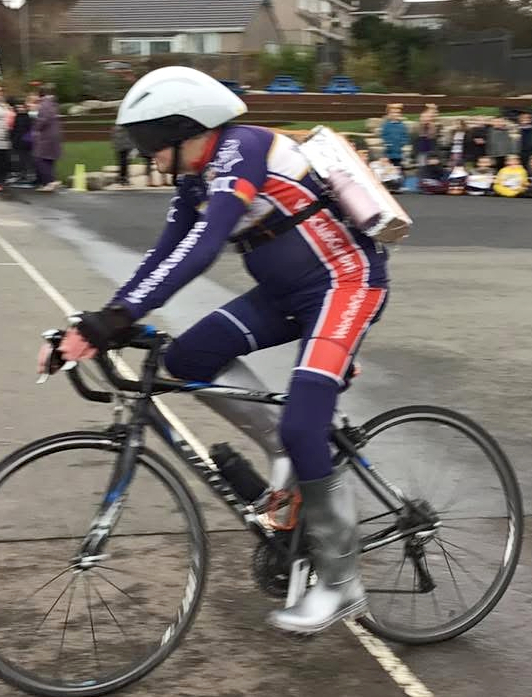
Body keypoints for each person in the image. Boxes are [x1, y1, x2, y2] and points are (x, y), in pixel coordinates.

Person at [47, 66, 390, 635]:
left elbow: (204, 247)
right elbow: (164, 255)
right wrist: (102, 320)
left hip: (345, 283)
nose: (146, 153)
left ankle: (341, 581)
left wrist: (118, 319)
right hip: (285, 294)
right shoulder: (195, 180)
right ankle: (293, 459)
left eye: (149, 141)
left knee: (303, 426)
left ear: (183, 129)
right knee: (186, 360)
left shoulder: (242, 149)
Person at [33, 85, 63, 191]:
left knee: (40, 158)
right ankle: (51, 180)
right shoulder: (53, 104)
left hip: (46, 135)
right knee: (49, 158)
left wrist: (36, 128)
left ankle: (49, 181)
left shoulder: (44, 105)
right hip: (54, 133)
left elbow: (43, 120)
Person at [9, 98, 34, 186]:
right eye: (18, 107)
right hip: (20, 142)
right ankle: (23, 174)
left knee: (25, 159)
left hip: (24, 142)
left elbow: (26, 130)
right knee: (21, 159)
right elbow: (15, 129)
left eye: (22, 107)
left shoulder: (26, 118)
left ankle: (27, 175)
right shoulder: (19, 117)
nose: (20, 109)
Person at [379, 103, 408, 169]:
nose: (395, 114)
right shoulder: (386, 125)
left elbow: (405, 136)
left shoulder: (402, 126)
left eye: (397, 113)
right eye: (393, 113)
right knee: (389, 170)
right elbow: (384, 136)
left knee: (398, 169)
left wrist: (402, 143)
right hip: (389, 153)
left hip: (399, 154)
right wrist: (388, 143)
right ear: (389, 114)